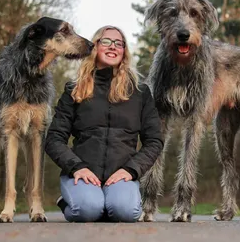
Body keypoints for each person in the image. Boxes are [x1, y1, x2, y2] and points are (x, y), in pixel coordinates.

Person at [44, 26, 163, 223]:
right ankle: (71, 202)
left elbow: (154, 141)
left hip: (121, 174)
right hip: (82, 172)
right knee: (87, 211)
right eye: (106, 41)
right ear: (95, 47)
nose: (112, 47)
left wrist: (131, 170)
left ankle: (110, 201)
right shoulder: (74, 90)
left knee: (126, 213)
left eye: (119, 43)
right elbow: (54, 139)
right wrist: (77, 167)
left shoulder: (140, 93)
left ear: (124, 51)